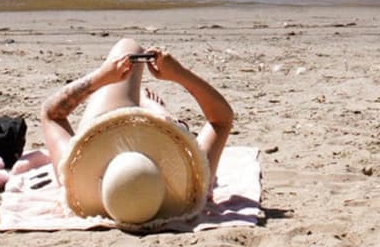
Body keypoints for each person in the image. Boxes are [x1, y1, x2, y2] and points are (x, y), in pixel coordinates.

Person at [39, 38, 235, 226]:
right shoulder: (194, 188)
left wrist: (102, 77)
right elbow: (222, 119)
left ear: (101, 181)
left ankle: (155, 113)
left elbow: (50, 113)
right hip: (131, 141)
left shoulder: (72, 180)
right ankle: (156, 111)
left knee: (128, 47)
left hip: (111, 120)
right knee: (133, 55)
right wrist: (179, 73)